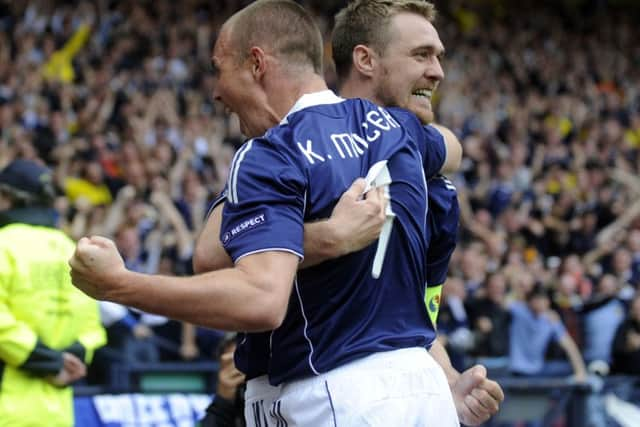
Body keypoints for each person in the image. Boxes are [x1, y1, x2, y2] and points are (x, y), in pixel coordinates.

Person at [69, 1, 461, 425]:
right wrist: (324, 238)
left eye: (220, 68)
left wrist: (119, 285)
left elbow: (258, 297)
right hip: (424, 389)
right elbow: (450, 148)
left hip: (332, 392)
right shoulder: (402, 131)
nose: (217, 91)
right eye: (422, 55)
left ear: (256, 63)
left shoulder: (271, 153)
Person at [193, 1, 501, 425]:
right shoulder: (294, 144)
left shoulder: (424, 176)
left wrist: (446, 377)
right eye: (421, 54)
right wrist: (324, 238)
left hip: (347, 391)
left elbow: (408, 310)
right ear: (365, 59)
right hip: (302, 389)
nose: (437, 71)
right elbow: (210, 255)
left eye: (438, 57)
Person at [0, 158, 106, 427]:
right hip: (57, 414)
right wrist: (62, 363)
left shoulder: (4, 244)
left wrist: (50, 362)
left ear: (5, 197)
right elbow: (92, 331)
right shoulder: (71, 249)